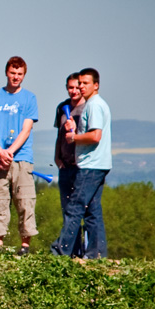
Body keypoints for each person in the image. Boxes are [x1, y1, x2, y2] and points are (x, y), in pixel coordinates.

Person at [50, 68, 111, 258]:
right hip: (98, 163)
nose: (81, 87)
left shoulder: (93, 105)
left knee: (74, 208)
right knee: (92, 211)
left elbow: (95, 136)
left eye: (85, 83)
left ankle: (62, 251)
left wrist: (74, 137)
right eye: (80, 83)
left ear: (96, 85)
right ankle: (96, 253)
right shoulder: (97, 104)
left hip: (90, 164)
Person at [0, 56, 40, 254]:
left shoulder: (29, 98)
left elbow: (26, 129)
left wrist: (11, 151)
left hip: (22, 158)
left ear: (24, 75)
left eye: (20, 74)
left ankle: (25, 245)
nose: (16, 77)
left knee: (25, 201)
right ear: (6, 72)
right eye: (13, 73)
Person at [52, 74, 86, 256]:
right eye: (70, 88)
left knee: (79, 211)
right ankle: (72, 250)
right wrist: (57, 158)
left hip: (81, 166)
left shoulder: (87, 108)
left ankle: (83, 250)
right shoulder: (61, 108)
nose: (73, 91)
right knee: (67, 210)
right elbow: (59, 135)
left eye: (76, 87)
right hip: (65, 165)